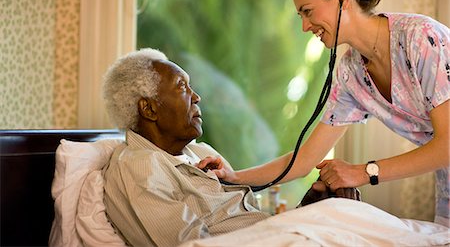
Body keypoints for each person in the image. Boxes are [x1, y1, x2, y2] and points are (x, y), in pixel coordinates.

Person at [197, 0, 449, 226]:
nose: (305, 26)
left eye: (308, 11)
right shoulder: (351, 72)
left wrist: (364, 172)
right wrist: (235, 178)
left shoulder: (421, 38)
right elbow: (305, 159)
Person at [101, 48, 357, 247]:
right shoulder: (139, 166)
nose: (196, 96)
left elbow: (248, 223)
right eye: (181, 86)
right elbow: (192, 245)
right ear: (149, 108)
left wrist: (309, 209)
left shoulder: (201, 153)